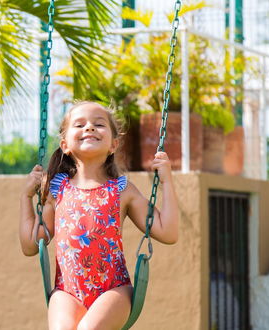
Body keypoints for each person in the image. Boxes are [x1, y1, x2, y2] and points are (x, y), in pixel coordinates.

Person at [19, 101, 179, 330]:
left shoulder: (122, 190)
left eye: (99, 124)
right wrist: (25, 198)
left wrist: (167, 181)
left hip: (113, 291)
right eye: (80, 124)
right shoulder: (57, 190)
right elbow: (30, 245)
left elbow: (168, 232)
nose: (90, 128)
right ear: (65, 144)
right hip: (67, 291)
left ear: (114, 144)